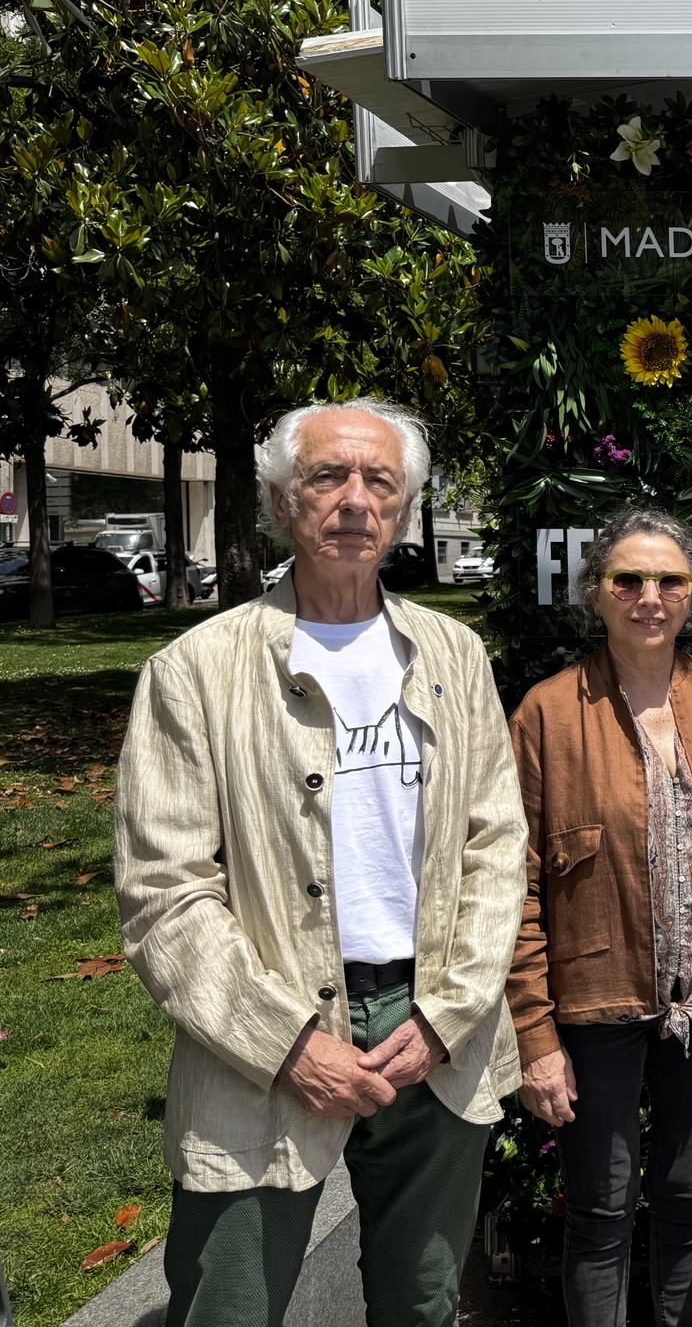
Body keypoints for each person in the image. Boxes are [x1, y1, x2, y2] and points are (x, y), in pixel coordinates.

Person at [114, 399, 527, 1327]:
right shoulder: (195, 670)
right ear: (279, 500)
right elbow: (164, 894)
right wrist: (288, 1044)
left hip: (433, 1025)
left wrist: (447, 1013)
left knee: (423, 1303)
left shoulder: (455, 655)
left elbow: (497, 846)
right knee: (228, 1306)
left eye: (380, 481)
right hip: (264, 1032)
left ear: (404, 506)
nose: (355, 500)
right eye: (327, 477)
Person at [508, 507, 692, 1327]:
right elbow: (514, 884)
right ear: (595, 593)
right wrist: (534, 1034)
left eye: (669, 580)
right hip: (596, 998)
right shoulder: (548, 713)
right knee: (600, 1208)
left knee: (691, 1193)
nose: (649, 597)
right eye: (628, 579)